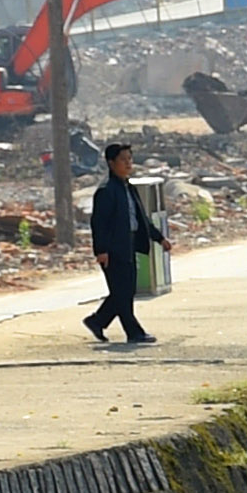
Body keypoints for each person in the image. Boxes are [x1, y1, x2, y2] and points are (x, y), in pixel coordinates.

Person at [85, 142, 158, 346]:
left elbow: (141, 218)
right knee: (122, 293)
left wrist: (159, 237)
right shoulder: (107, 191)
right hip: (113, 250)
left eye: (130, 159)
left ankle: (97, 320)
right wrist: (101, 250)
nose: (128, 164)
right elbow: (98, 223)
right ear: (111, 163)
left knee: (125, 291)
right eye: (123, 160)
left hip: (129, 245)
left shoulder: (128, 188)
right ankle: (134, 332)